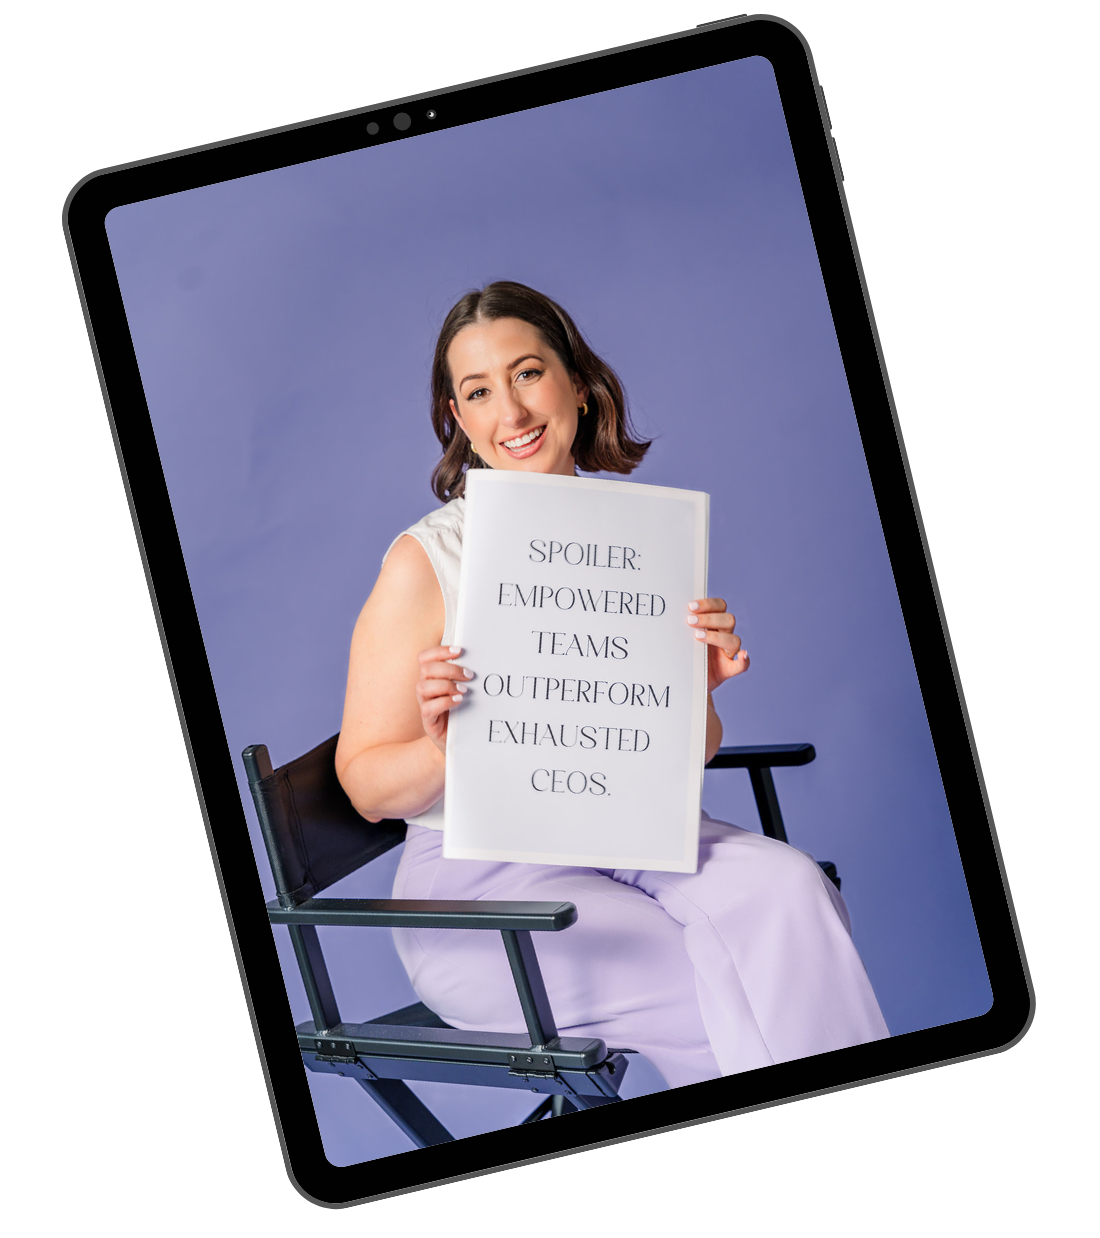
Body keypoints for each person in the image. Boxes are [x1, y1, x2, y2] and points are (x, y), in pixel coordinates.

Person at [335, 281, 889, 1090]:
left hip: (630, 839)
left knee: (793, 893)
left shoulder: (633, 541)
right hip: (477, 882)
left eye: (527, 375)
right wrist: (449, 748)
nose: (511, 415)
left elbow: (686, 756)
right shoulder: (428, 560)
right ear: (456, 417)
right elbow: (366, 786)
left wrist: (696, 691)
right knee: (710, 978)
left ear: (578, 386)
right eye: (479, 392)